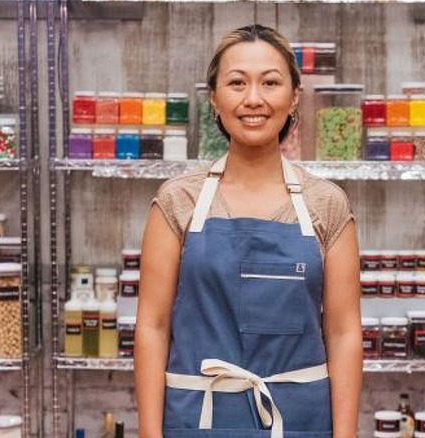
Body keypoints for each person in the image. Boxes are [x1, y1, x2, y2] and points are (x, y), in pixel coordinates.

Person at [135, 24, 362, 438]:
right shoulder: (176, 202)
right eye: (237, 83)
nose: (253, 99)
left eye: (270, 82)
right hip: (198, 417)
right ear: (215, 99)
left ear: (294, 96)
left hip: (301, 420)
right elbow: (152, 325)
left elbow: (344, 332)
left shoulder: (327, 204)